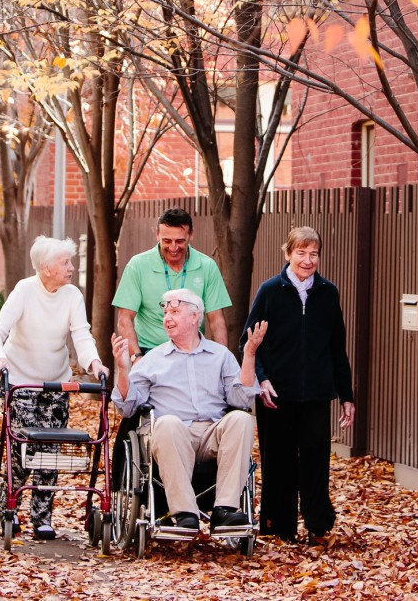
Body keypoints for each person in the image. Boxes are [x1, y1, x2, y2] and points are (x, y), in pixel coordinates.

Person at [111, 289, 266, 533]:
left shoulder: (220, 356)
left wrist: (249, 355)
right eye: (165, 313)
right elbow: (127, 406)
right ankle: (184, 513)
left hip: (211, 434)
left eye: (174, 312)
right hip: (173, 434)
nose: (167, 318)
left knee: (242, 419)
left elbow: (241, 398)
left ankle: (225, 510)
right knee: (168, 423)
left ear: (195, 317)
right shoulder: (153, 359)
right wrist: (123, 369)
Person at [0, 236, 109, 540]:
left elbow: (81, 335)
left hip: (56, 383)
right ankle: (8, 509)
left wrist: (95, 363)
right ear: (46, 268)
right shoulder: (24, 291)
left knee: (50, 450)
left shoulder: (71, 295)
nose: (71, 267)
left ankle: (42, 517)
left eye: (70, 261)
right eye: (65, 262)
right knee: (20, 449)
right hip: (20, 382)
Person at [241, 226, 354, 543]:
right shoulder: (270, 291)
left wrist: (346, 396)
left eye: (313, 254)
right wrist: (261, 379)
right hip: (275, 396)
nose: (307, 260)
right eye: (301, 253)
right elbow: (248, 342)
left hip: (316, 394)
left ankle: (318, 525)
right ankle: (280, 526)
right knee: (279, 462)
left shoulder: (328, 293)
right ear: (288, 253)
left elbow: (337, 348)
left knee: (316, 460)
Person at [113, 207, 231, 358]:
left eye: (180, 241)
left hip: (193, 352)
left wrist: (222, 359)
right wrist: (137, 358)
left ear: (191, 235)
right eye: (167, 241)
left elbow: (216, 320)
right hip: (150, 352)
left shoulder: (207, 266)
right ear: (157, 235)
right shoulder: (137, 266)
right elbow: (124, 319)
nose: (173, 248)